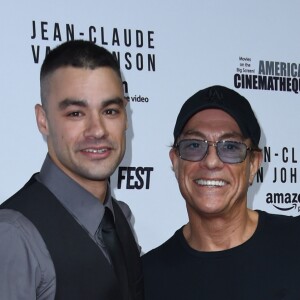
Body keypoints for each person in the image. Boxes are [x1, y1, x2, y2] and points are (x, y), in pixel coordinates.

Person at [0, 40, 143, 300]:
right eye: (76, 114)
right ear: (43, 120)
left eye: (110, 111)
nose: (97, 130)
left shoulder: (120, 217)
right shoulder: (13, 236)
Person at [142, 85, 300, 299]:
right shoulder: (146, 278)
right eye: (194, 145)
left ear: (253, 164)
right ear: (175, 162)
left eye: (230, 147)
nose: (211, 161)